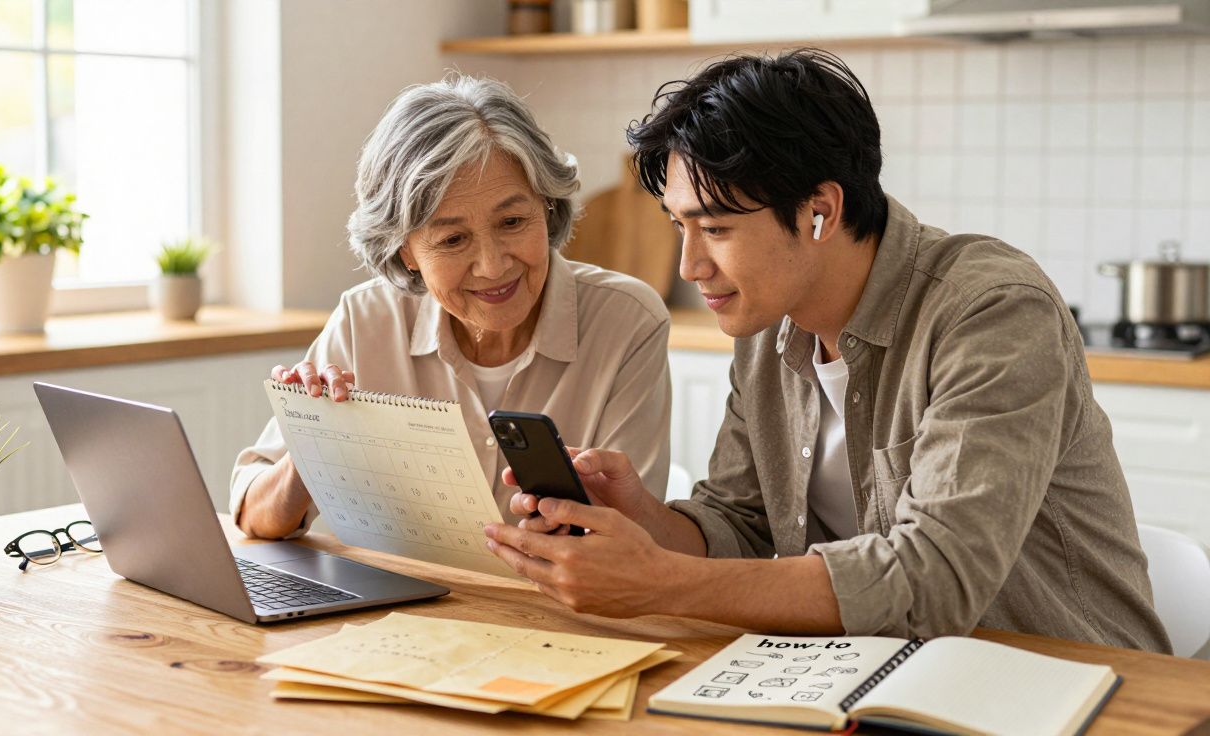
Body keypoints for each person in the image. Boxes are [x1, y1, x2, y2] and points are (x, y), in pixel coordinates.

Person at [483, 49, 1171, 652]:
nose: (689, 266)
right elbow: (745, 526)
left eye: (715, 228)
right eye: (678, 227)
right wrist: (649, 521)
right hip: (877, 672)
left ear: (821, 211)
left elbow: (935, 580)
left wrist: (664, 582)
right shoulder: (767, 325)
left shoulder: (989, 310)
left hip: (1071, 683)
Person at [231, 75, 671, 540]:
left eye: (513, 221)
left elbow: (631, 548)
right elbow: (253, 518)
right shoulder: (366, 322)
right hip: (398, 608)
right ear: (405, 251)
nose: (492, 265)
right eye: (453, 239)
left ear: (548, 206)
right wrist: (315, 441)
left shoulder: (627, 321)